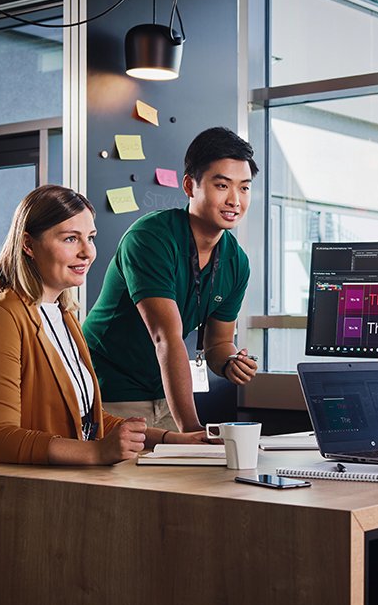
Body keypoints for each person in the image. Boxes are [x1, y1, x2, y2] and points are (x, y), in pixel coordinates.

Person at [0, 185, 206, 467]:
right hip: (9, 487)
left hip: (60, 478)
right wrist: (96, 452)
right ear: (28, 244)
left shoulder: (64, 316)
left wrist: (172, 439)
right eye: (70, 239)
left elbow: (88, 420)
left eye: (90, 238)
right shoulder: (1, 316)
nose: (87, 252)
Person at [82, 127, 259, 433]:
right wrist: (191, 430)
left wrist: (230, 361)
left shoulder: (237, 262)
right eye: (222, 185)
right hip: (108, 389)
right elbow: (166, 337)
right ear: (190, 186)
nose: (235, 200)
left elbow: (217, 342)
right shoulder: (150, 238)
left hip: (166, 392)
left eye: (244, 188)